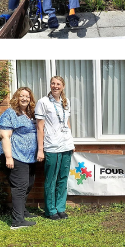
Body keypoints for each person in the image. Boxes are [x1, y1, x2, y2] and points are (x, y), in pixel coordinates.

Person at [0, 86, 38, 229]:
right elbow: (5, 136)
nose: (24, 98)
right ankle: (17, 221)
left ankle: (22, 211)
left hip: (29, 157)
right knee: (20, 186)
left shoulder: (31, 113)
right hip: (15, 155)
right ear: (16, 97)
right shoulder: (10, 114)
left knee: (29, 183)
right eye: (22, 95)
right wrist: (9, 157)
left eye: (27, 96)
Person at [35, 76, 75, 220]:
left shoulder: (66, 101)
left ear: (63, 86)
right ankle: (51, 210)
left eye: (58, 84)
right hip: (51, 146)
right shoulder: (43, 102)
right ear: (50, 85)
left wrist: (71, 141)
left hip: (66, 145)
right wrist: (40, 149)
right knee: (51, 179)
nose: (55, 86)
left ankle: (60, 208)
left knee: (63, 178)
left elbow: (66, 122)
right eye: (53, 83)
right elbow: (40, 127)